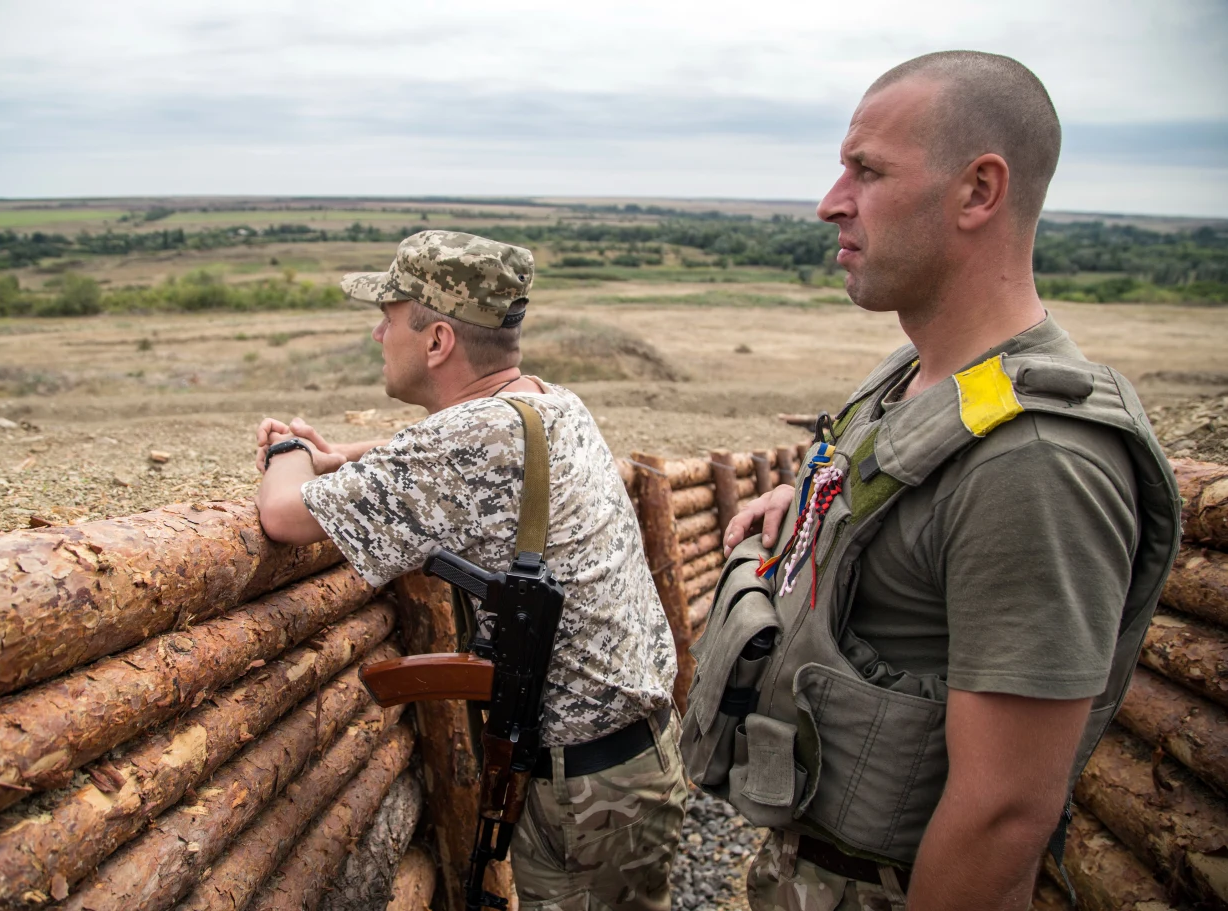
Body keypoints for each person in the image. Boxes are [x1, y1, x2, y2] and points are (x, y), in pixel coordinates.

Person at [680, 52, 1180, 911]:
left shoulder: (1036, 460)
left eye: (867, 171)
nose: (830, 201)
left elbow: (1002, 814)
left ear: (979, 191)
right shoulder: (916, 378)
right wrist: (804, 506)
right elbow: (901, 518)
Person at [252, 230, 686, 910]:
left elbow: (283, 515)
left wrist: (285, 449)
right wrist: (341, 457)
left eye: (389, 317)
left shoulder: (467, 441)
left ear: (437, 341)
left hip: (587, 794)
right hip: (628, 763)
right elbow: (445, 447)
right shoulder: (549, 402)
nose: (377, 333)